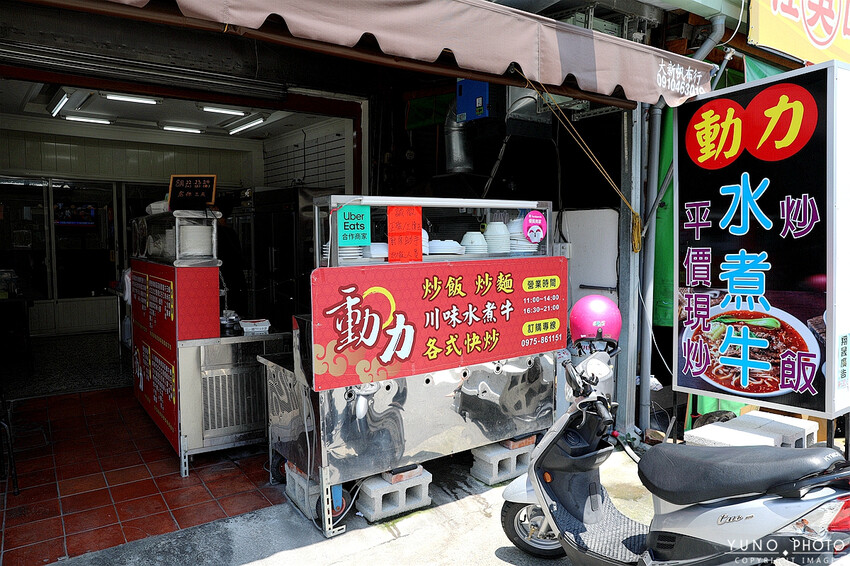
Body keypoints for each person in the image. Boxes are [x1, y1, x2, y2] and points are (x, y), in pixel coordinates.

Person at [211, 199, 246, 315]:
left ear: (217, 210)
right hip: (234, 282)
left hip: (227, 283)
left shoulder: (219, 233)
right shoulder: (231, 232)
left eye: (212, 208)